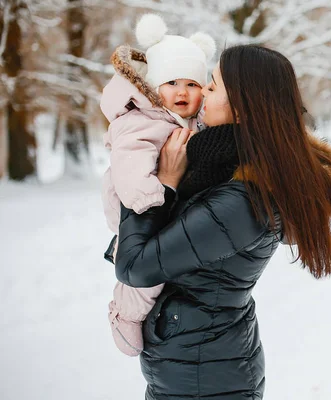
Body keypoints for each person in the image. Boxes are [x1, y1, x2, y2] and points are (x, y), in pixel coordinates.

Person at [107, 44, 331, 399]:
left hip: (206, 379)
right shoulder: (221, 165)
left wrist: (160, 185)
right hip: (199, 365)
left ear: (243, 110)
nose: (200, 96)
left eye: (211, 87)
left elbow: (136, 266)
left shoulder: (242, 201)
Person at [100, 13, 216, 356]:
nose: (183, 91)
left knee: (165, 260)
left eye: (192, 84)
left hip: (163, 201)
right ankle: (125, 313)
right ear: (153, 85)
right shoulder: (140, 121)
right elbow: (129, 164)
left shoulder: (188, 120)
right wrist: (153, 198)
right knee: (150, 270)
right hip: (137, 203)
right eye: (172, 83)